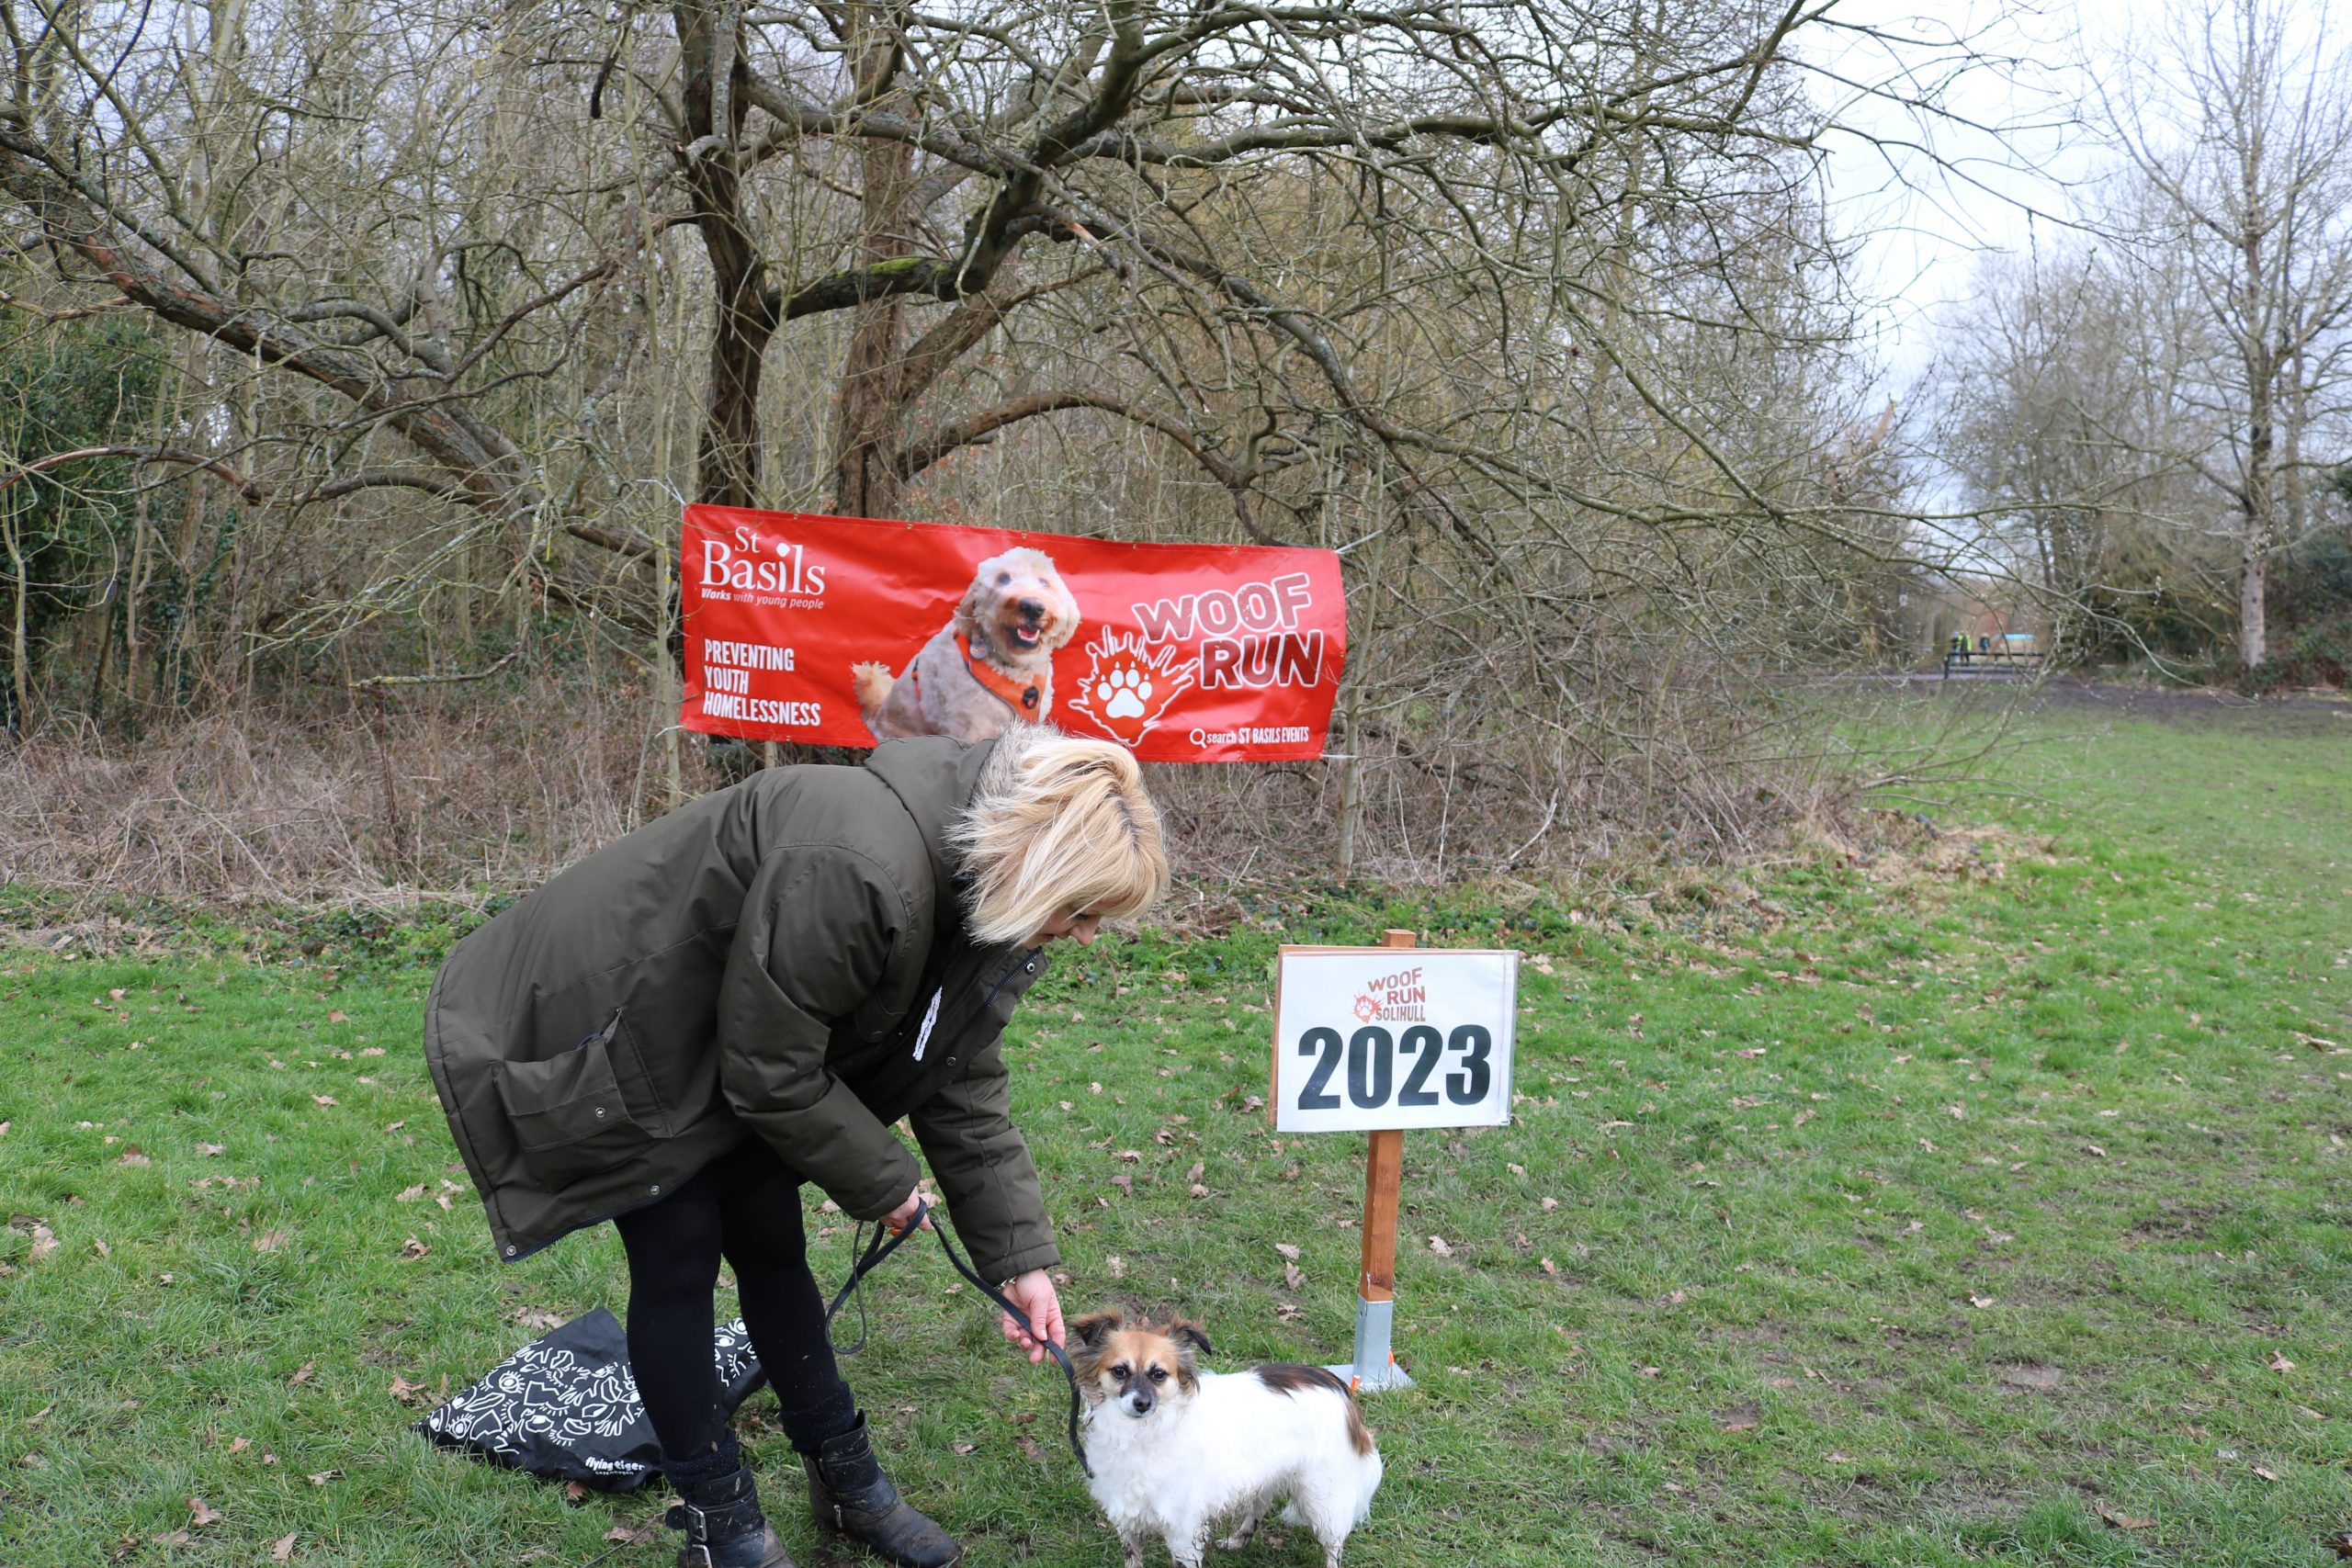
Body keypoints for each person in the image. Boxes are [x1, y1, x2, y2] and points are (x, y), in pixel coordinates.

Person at [424, 727, 1170, 1568]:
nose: (1085, 935)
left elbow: (957, 1079)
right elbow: (769, 1071)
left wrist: (1019, 1258)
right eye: (1082, 911)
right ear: (1037, 868)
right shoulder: (860, 865)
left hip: (724, 1026)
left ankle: (845, 1479)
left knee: (771, 1235)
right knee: (679, 1252)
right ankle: (722, 1524)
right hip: (609, 1013)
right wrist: (885, 1181)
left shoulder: (974, 889)